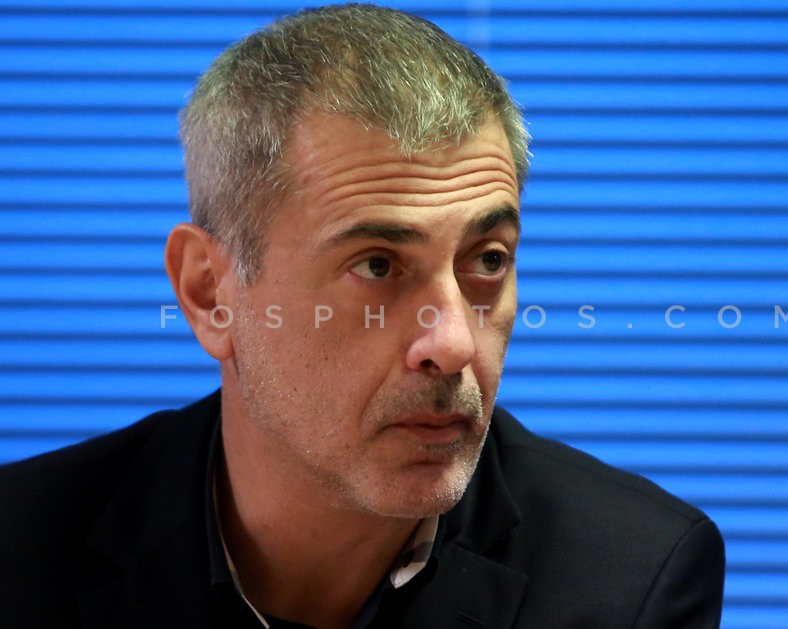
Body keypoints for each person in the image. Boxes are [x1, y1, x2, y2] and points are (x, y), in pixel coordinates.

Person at [0, 5, 724, 627]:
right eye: (377, 266)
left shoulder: (629, 581)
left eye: (487, 259)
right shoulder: (20, 551)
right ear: (210, 292)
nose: (453, 343)